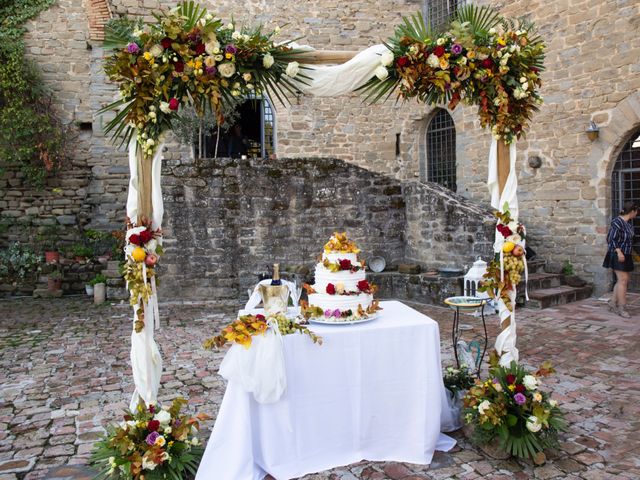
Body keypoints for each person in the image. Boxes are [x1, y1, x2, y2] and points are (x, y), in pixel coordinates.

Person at [603, 202, 639, 318]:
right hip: (617, 254)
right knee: (623, 280)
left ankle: (613, 303)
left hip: (626, 255)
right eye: (637, 211)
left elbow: (630, 241)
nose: (637, 214)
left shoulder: (628, 224)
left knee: (623, 280)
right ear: (632, 211)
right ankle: (621, 308)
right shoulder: (617, 222)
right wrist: (618, 252)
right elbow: (611, 239)